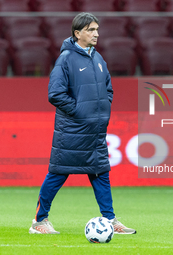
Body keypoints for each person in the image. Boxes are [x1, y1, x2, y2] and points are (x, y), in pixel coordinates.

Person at [29, 12, 136, 235]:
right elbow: (55, 94)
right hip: (72, 131)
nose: (96, 34)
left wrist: (102, 109)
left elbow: (108, 89)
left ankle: (110, 220)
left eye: (97, 29)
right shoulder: (66, 59)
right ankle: (39, 222)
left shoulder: (98, 59)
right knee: (58, 174)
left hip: (95, 131)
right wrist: (81, 112)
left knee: (101, 174)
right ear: (77, 33)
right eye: (90, 30)